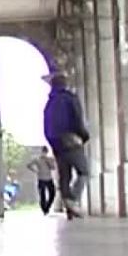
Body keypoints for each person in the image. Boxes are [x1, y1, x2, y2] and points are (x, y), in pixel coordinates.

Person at [42, 71, 89, 220]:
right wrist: (84, 136)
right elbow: (77, 119)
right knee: (84, 171)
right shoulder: (70, 98)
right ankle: (72, 201)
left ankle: (69, 209)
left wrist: (53, 143)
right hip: (71, 140)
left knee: (65, 176)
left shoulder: (49, 103)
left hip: (57, 144)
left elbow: (46, 126)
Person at [26, 146, 57, 215]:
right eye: (44, 151)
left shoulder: (49, 159)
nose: (44, 153)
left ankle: (47, 207)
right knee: (42, 195)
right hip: (41, 178)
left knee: (52, 193)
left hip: (48, 178)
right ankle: (44, 209)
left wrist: (48, 161)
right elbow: (28, 165)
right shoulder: (37, 159)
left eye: (45, 152)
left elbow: (53, 167)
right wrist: (35, 170)